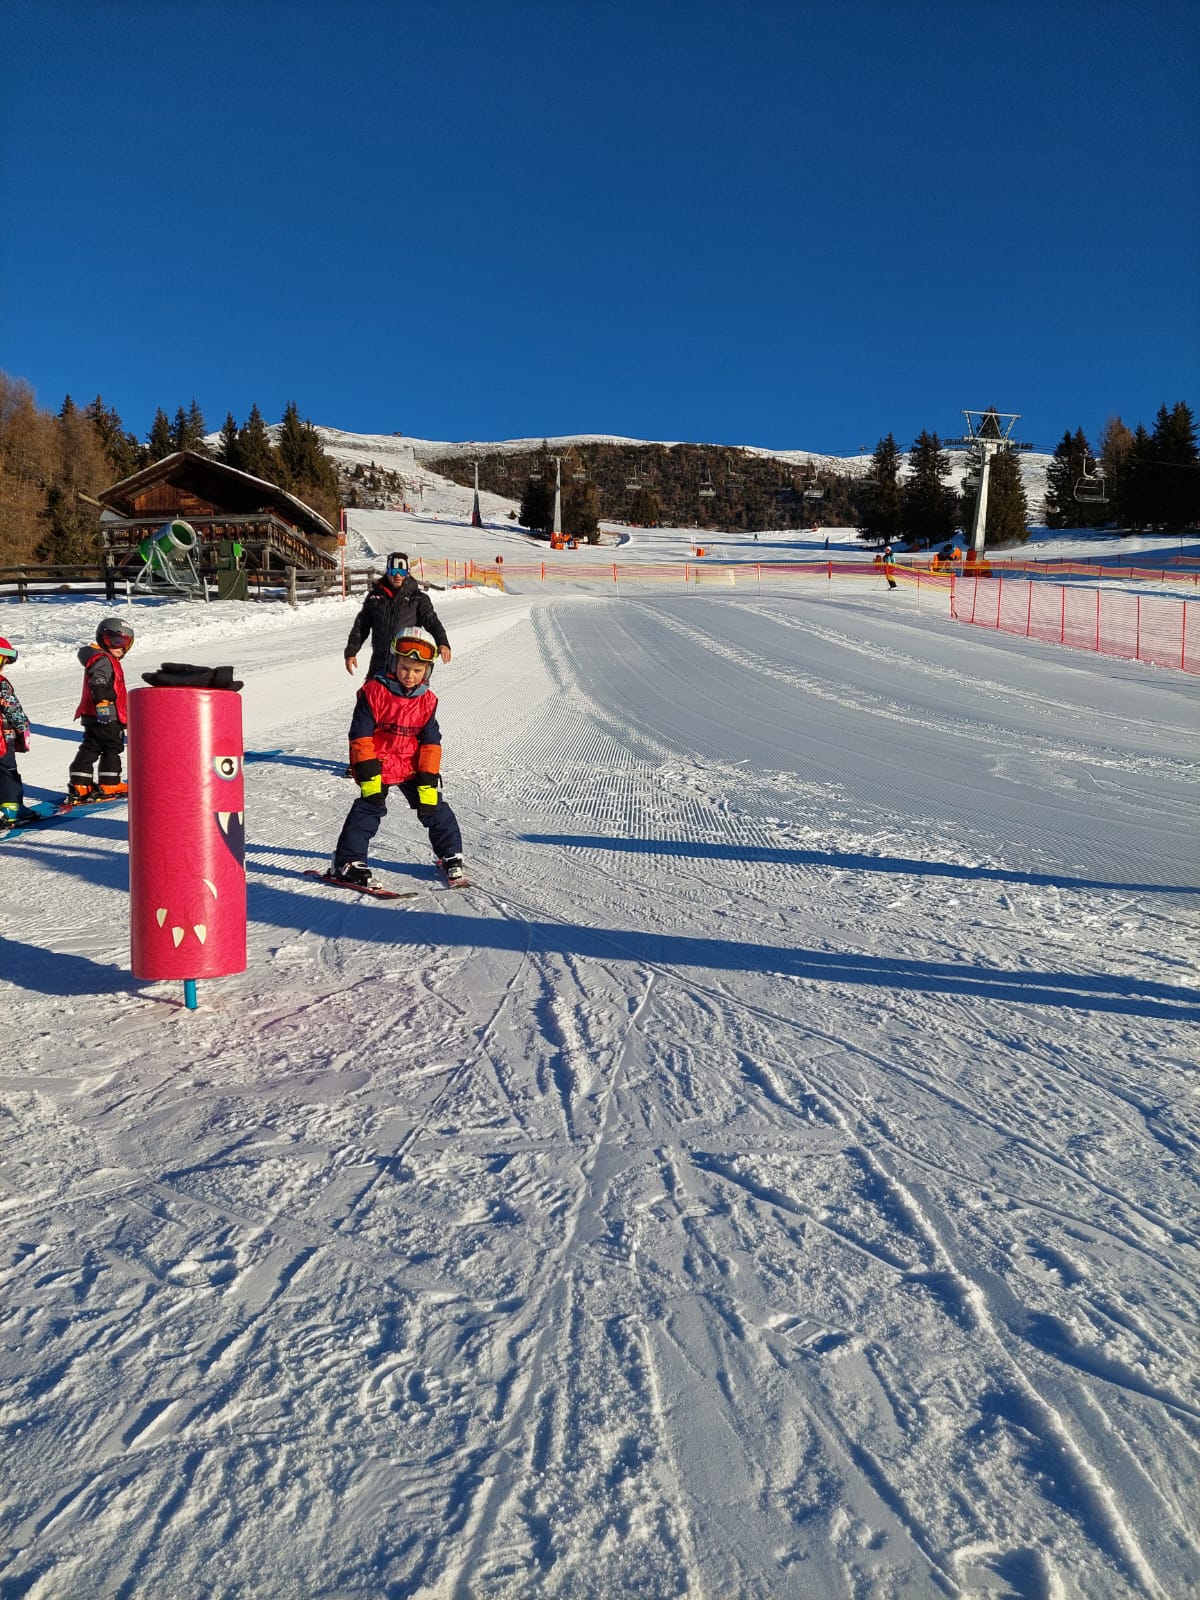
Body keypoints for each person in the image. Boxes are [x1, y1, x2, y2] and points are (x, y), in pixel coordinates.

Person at [331, 632, 465, 886]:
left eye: (417, 670)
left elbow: (431, 741)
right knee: (368, 808)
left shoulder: (427, 701)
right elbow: (360, 735)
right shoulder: (374, 692)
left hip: (410, 765)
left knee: (434, 808)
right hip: (377, 763)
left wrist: (428, 777)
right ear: (393, 663)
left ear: (427, 671)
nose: (409, 675)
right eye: (404, 667)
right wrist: (367, 772)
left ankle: (451, 855)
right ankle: (347, 862)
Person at [344, 552, 451, 677]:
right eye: (393, 571)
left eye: (402, 572)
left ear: (408, 572)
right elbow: (361, 626)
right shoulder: (375, 597)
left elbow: (431, 621)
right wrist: (351, 651)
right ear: (388, 571)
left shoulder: (417, 599)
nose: (398, 575)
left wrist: (442, 642)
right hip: (379, 663)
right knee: (370, 690)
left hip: (405, 665)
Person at [68, 616, 134, 801]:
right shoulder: (104, 659)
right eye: (116, 642)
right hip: (106, 713)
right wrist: (102, 702)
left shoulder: (100, 658)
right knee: (112, 746)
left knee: (92, 746)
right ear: (103, 639)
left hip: (92, 714)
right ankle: (109, 783)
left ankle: (80, 784)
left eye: (126, 644)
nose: (120, 647)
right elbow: (98, 681)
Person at [0, 637, 38, 829]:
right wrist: (23, 726)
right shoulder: (1, 683)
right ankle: (11, 807)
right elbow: (11, 708)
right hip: (3, 737)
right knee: (7, 770)